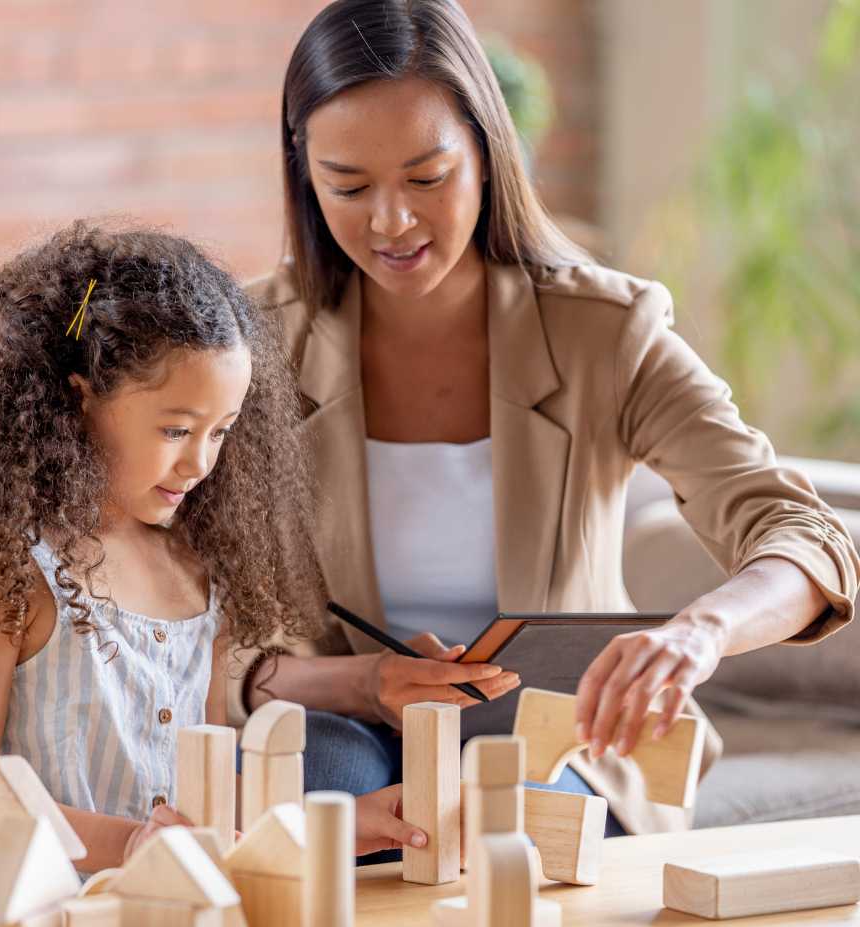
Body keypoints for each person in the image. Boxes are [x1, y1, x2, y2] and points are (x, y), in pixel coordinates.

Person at [237, 0, 859, 840]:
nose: (391, 221)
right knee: (323, 803)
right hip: (337, 718)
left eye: (427, 177)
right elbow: (178, 625)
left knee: (530, 838)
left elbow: (803, 534)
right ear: (304, 173)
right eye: (348, 185)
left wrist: (698, 633)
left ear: (489, 158)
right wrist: (367, 682)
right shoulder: (249, 345)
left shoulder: (604, 332)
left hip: (555, 731)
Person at [0, 221, 425, 927]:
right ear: (79, 399)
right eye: (176, 430)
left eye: (221, 431)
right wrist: (131, 844)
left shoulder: (199, 571)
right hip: (1, 909)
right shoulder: (8, 566)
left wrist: (339, 824)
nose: (201, 462)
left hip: (147, 909)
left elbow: (204, 796)